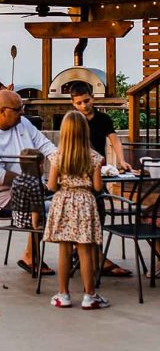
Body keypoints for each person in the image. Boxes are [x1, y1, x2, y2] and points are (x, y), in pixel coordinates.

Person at [0, 90, 57, 274]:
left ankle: (76, 252)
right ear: (2, 111)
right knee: (62, 206)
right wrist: (32, 183)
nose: (22, 113)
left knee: (76, 199)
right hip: (3, 199)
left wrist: (61, 160)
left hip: (34, 192)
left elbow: (45, 145)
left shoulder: (22, 123)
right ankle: (33, 255)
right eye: (18, 109)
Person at [43, 111, 108, 309]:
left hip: (63, 201)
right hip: (85, 202)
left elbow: (52, 185)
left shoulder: (57, 156)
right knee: (85, 251)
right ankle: (90, 295)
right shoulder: (95, 157)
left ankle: (63, 294)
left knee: (64, 250)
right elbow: (97, 187)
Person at [69, 80, 133, 278]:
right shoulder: (72, 120)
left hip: (98, 170)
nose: (83, 105)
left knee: (99, 211)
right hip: (78, 173)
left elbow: (114, 140)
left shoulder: (103, 119)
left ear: (93, 98)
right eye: (79, 102)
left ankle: (91, 253)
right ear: (73, 103)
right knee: (83, 213)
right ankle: (86, 253)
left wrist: (122, 161)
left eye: (86, 100)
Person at [10, 149, 45, 230]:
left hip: (17, 219)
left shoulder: (16, 179)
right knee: (53, 208)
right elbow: (35, 208)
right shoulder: (35, 184)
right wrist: (35, 225)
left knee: (48, 205)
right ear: (40, 166)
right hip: (29, 221)